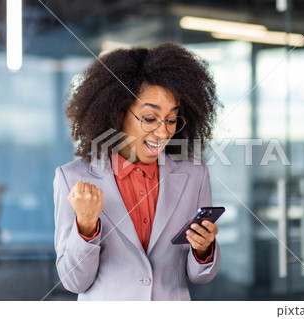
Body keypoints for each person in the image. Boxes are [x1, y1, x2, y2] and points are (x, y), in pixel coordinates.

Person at [53, 43, 221, 300]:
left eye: (172, 119)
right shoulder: (73, 179)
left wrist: (204, 249)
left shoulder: (194, 175)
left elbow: (201, 275)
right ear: (118, 113)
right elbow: (74, 281)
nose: (164, 132)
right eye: (150, 118)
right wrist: (86, 227)